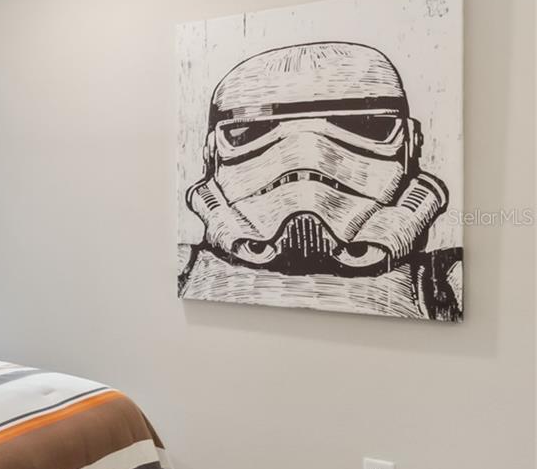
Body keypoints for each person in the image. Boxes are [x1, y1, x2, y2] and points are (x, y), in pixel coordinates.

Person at [177, 41, 461, 320]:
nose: (308, 154)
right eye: (252, 132)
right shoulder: (175, 271)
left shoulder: (453, 282)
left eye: (363, 126)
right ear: (212, 153)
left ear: (409, 145)